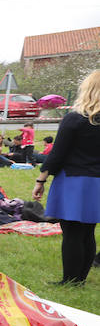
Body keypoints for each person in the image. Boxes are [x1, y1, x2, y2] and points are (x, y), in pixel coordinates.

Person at [32, 70, 100, 286]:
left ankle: (70, 280)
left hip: (75, 181)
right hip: (97, 182)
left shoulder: (74, 119)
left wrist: (40, 180)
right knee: (88, 231)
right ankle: (79, 279)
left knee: (71, 232)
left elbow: (57, 154)